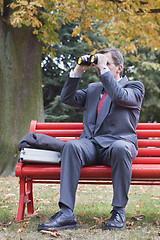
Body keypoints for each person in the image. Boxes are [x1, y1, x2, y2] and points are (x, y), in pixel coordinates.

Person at [38, 47, 145, 231]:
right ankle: (66, 214)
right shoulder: (94, 89)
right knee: (71, 146)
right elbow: (67, 97)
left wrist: (103, 70)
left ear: (119, 68)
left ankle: (118, 212)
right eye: (99, 64)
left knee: (120, 148)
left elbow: (118, 96)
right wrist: (78, 70)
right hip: (92, 145)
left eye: (107, 63)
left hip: (118, 144)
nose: (100, 68)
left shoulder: (134, 87)